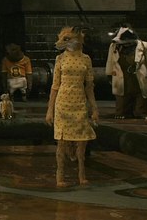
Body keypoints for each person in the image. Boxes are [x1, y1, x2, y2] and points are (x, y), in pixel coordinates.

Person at [45, 26, 98, 187]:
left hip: (79, 103)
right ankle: (60, 176)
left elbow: (89, 86)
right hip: (63, 103)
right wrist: (50, 110)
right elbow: (55, 86)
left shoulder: (86, 59)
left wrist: (94, 108)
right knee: (62, 142)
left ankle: (82, 175)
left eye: (66, 39)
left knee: (81, 143)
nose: (61, 42)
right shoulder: (60, 59)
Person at [105, 26, 147, 119]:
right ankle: (123, 112)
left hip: (139, 75)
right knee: (123, 95)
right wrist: (109, 73)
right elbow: (110, 61)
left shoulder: (144, 45)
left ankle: (140, 113)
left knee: (141, 95)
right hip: (122, 75)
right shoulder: (114, 46)